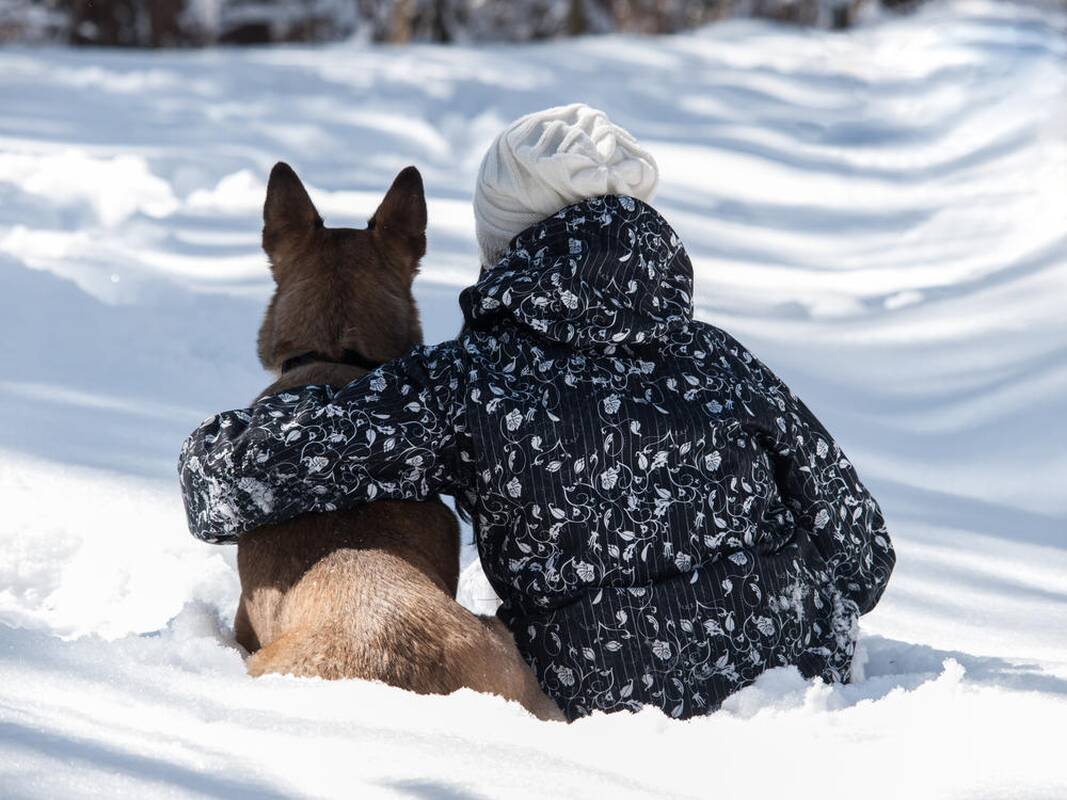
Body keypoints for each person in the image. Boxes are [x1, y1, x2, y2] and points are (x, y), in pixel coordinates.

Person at [179, 103, 895, 720]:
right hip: (798, 678)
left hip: (607, 687)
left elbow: (229, 482)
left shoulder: (468, 383)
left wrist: (232, 443)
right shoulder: (719, 358)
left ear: (503, 240)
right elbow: (862, 549)